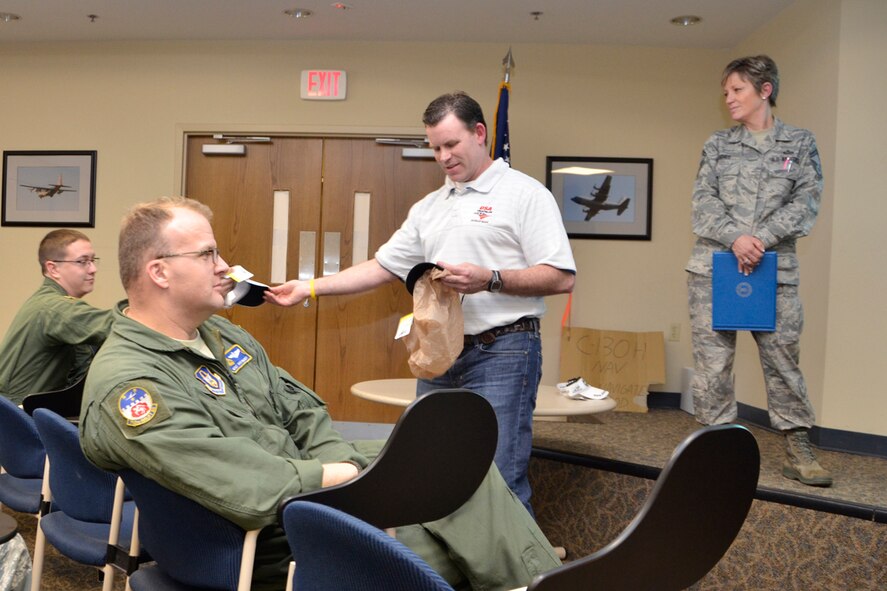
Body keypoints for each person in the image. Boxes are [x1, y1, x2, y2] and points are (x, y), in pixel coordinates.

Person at [79, 196, 561, 591]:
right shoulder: (132, 386)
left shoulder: (224, 337)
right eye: (207, 255)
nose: (225, 267)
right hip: (261, 537)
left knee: (455, 466)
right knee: (447, 549)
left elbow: (303, 411)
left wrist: (349, 478)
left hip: (313, 496)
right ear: (159, 273)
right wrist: (348, 477)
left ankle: (541, 581)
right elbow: (251, 490)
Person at [266, 92, 576, 513]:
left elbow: (561, 276)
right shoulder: (429, 208)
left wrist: (491, 279)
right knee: (431, 467)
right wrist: (310, 288)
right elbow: (382, 266)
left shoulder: (525, 194)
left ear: (479, 133)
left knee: (498, 473)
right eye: (435, 148)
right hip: (440, 353)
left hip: (505, 351)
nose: (444, 156)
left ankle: (514, 575)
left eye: (452, 144)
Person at [686, 55, 830, 487]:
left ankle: (798, 448)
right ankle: (715, 448)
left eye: (737, 90)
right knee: (713, 366)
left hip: (773, 271)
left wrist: (760, 240)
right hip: (715, 268)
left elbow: (806, 202)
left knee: (783, 360)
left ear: (764, 90)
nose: (728, 98)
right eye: (726, 91)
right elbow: (702, 203)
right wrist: (736, 238)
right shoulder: (717, 145)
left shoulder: (800, 144)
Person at [0, 229, 113, 404]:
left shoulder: (49, 303)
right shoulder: (53, 308)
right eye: (83, 261)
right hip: (21, 420)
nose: (93, 269)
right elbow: (112, 327)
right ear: (53, 268)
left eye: (92, 260)